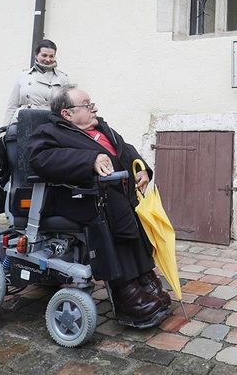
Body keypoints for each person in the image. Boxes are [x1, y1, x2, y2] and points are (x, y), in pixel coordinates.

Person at [28, 85, 171, 324]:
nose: (94, 108)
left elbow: (127, 152)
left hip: (109, 195)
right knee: (114, 209)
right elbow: (41, 159)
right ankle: (125, 290)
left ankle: (145, 277)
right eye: (86, 105)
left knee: (130, 209)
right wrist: (90, 159)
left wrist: (142, 169)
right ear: (67, 114)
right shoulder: (49, 132)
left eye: (91, 103)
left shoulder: (103, 128)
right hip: (74, 198)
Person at [3, 38, 69, 124]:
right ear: (36, 55)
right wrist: (5, 129)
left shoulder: (62, 78)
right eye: (44, 55)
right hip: (22, 122)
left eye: (51, 56)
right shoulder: (23, 75)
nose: (48, 59)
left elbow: (67, 108)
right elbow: (12, 106)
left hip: (47, 123)